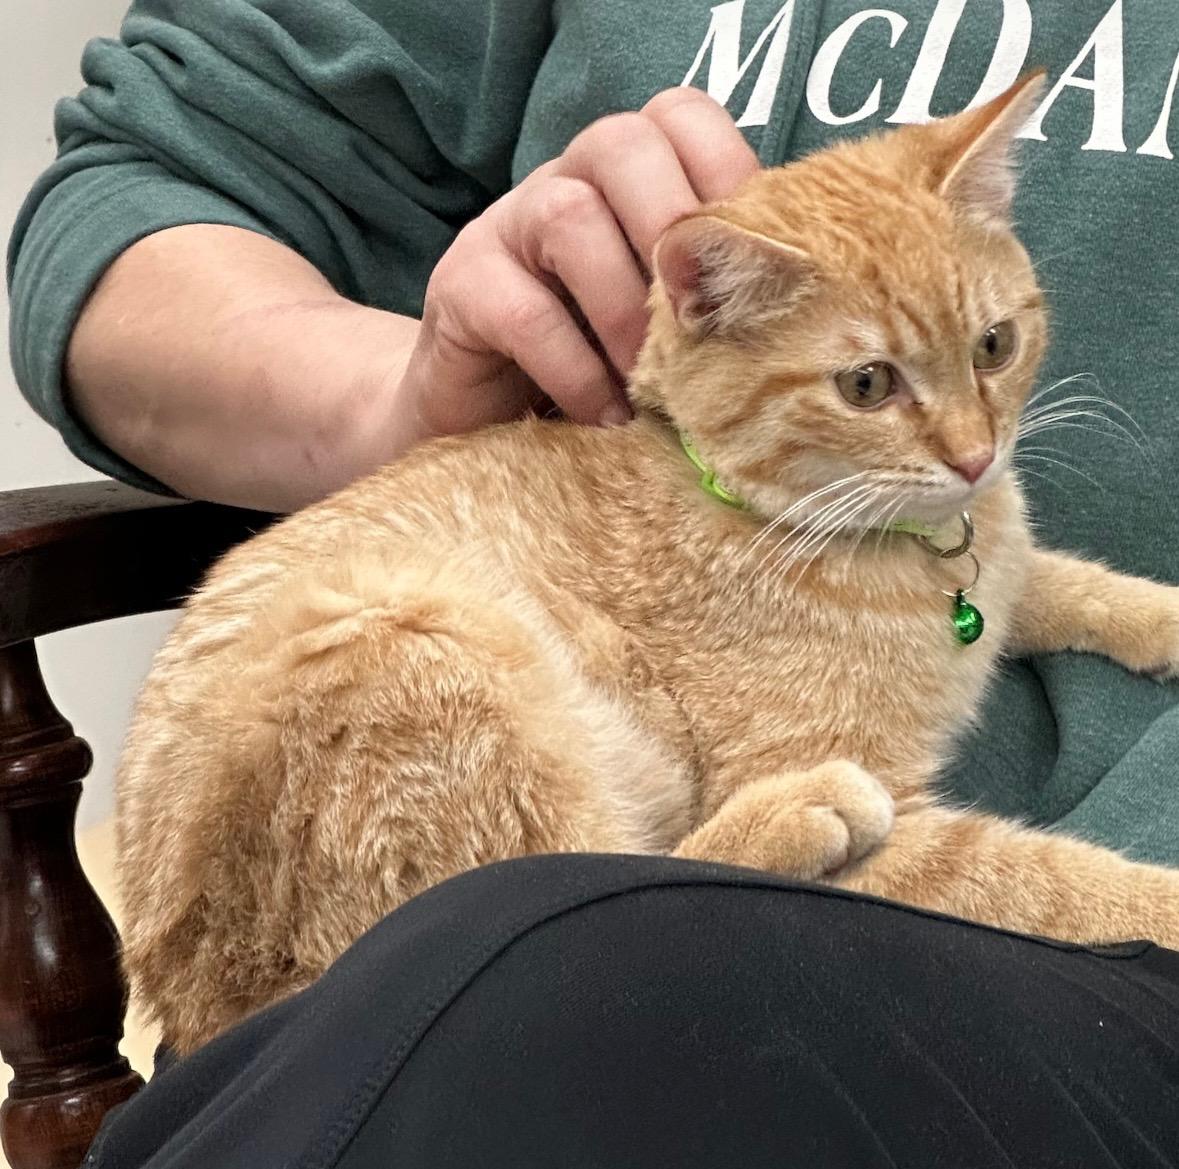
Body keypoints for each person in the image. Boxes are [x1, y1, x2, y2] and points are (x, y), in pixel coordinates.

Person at [8, 2, 1179, 1164]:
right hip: (398, 967)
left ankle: (656, 906)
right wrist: (390, 402)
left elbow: (978, 563)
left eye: (993, 348)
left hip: (1056, 1018)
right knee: (449, 794)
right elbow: (141, 179)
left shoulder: (901, 497)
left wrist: (1122, 614)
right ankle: (667, 899)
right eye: (871, 387)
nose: (973, 444)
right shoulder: (748, 543)